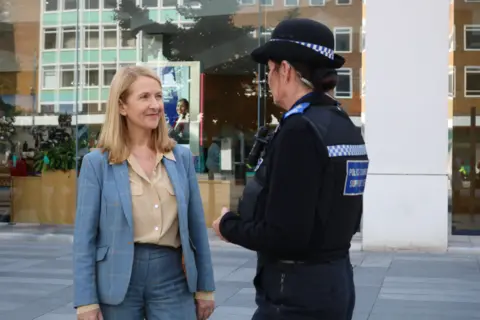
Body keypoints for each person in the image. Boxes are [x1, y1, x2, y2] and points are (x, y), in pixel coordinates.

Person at [212, 18, 368, 320]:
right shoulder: (342, 124)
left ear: (285, 70)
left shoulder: (300, 130)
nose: (267, 79)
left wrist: (227, 226)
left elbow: (286, 235)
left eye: (268, 70)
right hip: (334, 283)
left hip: (295, 295)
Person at [73, 66, 215, 320]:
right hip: (116, 279)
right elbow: (84, 239)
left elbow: (196, 228)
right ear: (122, 106)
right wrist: (86, 302)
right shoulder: (96, 163)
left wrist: (205, 287)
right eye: (144, 97)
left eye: (158, 96)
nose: (155, 105)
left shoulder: (180, 157)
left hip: (172, 276)